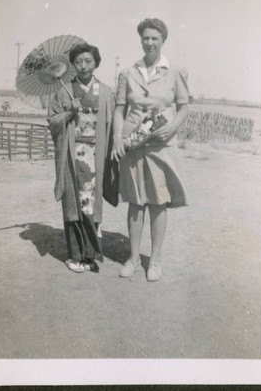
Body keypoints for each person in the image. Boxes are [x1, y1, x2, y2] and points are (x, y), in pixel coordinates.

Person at [111, 18, 189, 282]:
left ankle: (154, 262)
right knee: (135, 203)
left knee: (158, 203)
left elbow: (184, 107)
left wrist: (172, 129)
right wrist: (118, 139)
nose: (149, 42)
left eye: (155, 37)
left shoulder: (174, 71)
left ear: (163, 40)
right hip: (133, 146)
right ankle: (133, 259)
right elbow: (119, 109)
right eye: (145, 37)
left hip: (160, 146)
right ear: (140, 40)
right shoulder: (127, 73)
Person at [48, 43, 116, 273]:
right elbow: (52, 122)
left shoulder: (106, 92)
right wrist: (70, 112)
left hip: (96, 155)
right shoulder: (63, 90)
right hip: (72, 155)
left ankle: (89, 256)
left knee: (90, 205)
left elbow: (112, 126)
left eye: (88, 61)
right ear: (72, 65)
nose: (83, 66)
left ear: (96, 63)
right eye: (78, 62)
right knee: (73, 205)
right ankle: (75, 256)